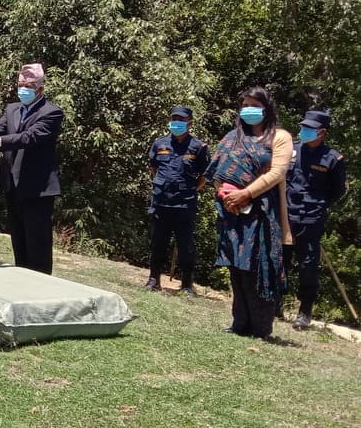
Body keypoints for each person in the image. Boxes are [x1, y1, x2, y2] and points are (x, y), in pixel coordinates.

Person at [207, 86, 292, 340]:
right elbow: (216, 170)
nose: (248, 109)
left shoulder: (280, 137)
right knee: (235, 265)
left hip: (261, 212)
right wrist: (226, 195)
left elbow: (277, 172)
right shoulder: (232, 137)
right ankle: (239, 323)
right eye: (245, 105)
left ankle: (261, 328)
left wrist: (246, 193)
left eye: (254, 105)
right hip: (231, 210)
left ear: (267, 109)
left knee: (257, 266)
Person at [0, 63, 64, 274]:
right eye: (20, 84)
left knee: (37, 242)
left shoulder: (52, 112)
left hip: (37, 187)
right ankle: (21, 277)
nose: (23, 89)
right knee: (18, 238)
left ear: (40, 89)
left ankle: (39, 283)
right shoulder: (12, 109)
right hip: (12, 184)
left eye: (28, 86)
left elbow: (29, 137)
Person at [283, 110, 348, 330]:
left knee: (308, 265)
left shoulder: (333, 159)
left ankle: (304, 312)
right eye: (304, 127)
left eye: (310, 129)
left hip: (311, 218)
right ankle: (275, 304)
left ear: (322, 133)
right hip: (286, 214)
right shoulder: (291, 149)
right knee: (281, 260)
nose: (304, 131)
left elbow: (338, 191)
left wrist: (318, 205)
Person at [144, 106, 210, 295]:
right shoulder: (159, 143)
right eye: (174, 118)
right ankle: (153, 280)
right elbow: (154, 169)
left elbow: (205, 175)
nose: (176, 122)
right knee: (157, 243)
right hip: (161, 202)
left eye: (181, 119)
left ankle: (187, 285)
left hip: (185, 204)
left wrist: (190, 190)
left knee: (186, 246)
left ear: (190, 123)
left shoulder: (198, 147)